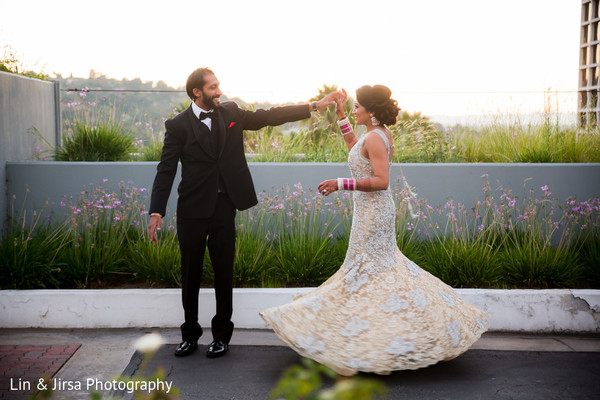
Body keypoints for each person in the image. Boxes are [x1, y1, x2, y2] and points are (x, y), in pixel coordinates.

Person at [260, 85, 490, 375]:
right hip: (368, 211)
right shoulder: (372, 136)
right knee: (370, 271)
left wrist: (339, 183)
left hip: (375, 212)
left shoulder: (377, 138)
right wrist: (342, 116)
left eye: (356, 107)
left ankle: (385, 340)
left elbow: (382, 181)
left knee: (370, 271)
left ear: (370, 111)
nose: (355, 110)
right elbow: (356, 152)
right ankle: (374, 339)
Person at [148, 67, 337, 358]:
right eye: (212, 87)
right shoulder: (177, 126)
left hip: (225, 208)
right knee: (190, 275)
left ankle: (222, 336)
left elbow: (268, 116)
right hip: (192, 211)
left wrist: (314, 105)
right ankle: (190, 335)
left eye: (218, 86)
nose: (218, 91)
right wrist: (156, 211)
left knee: (225, 273)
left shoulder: (231, 112)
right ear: (197, 92)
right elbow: (166, 169)